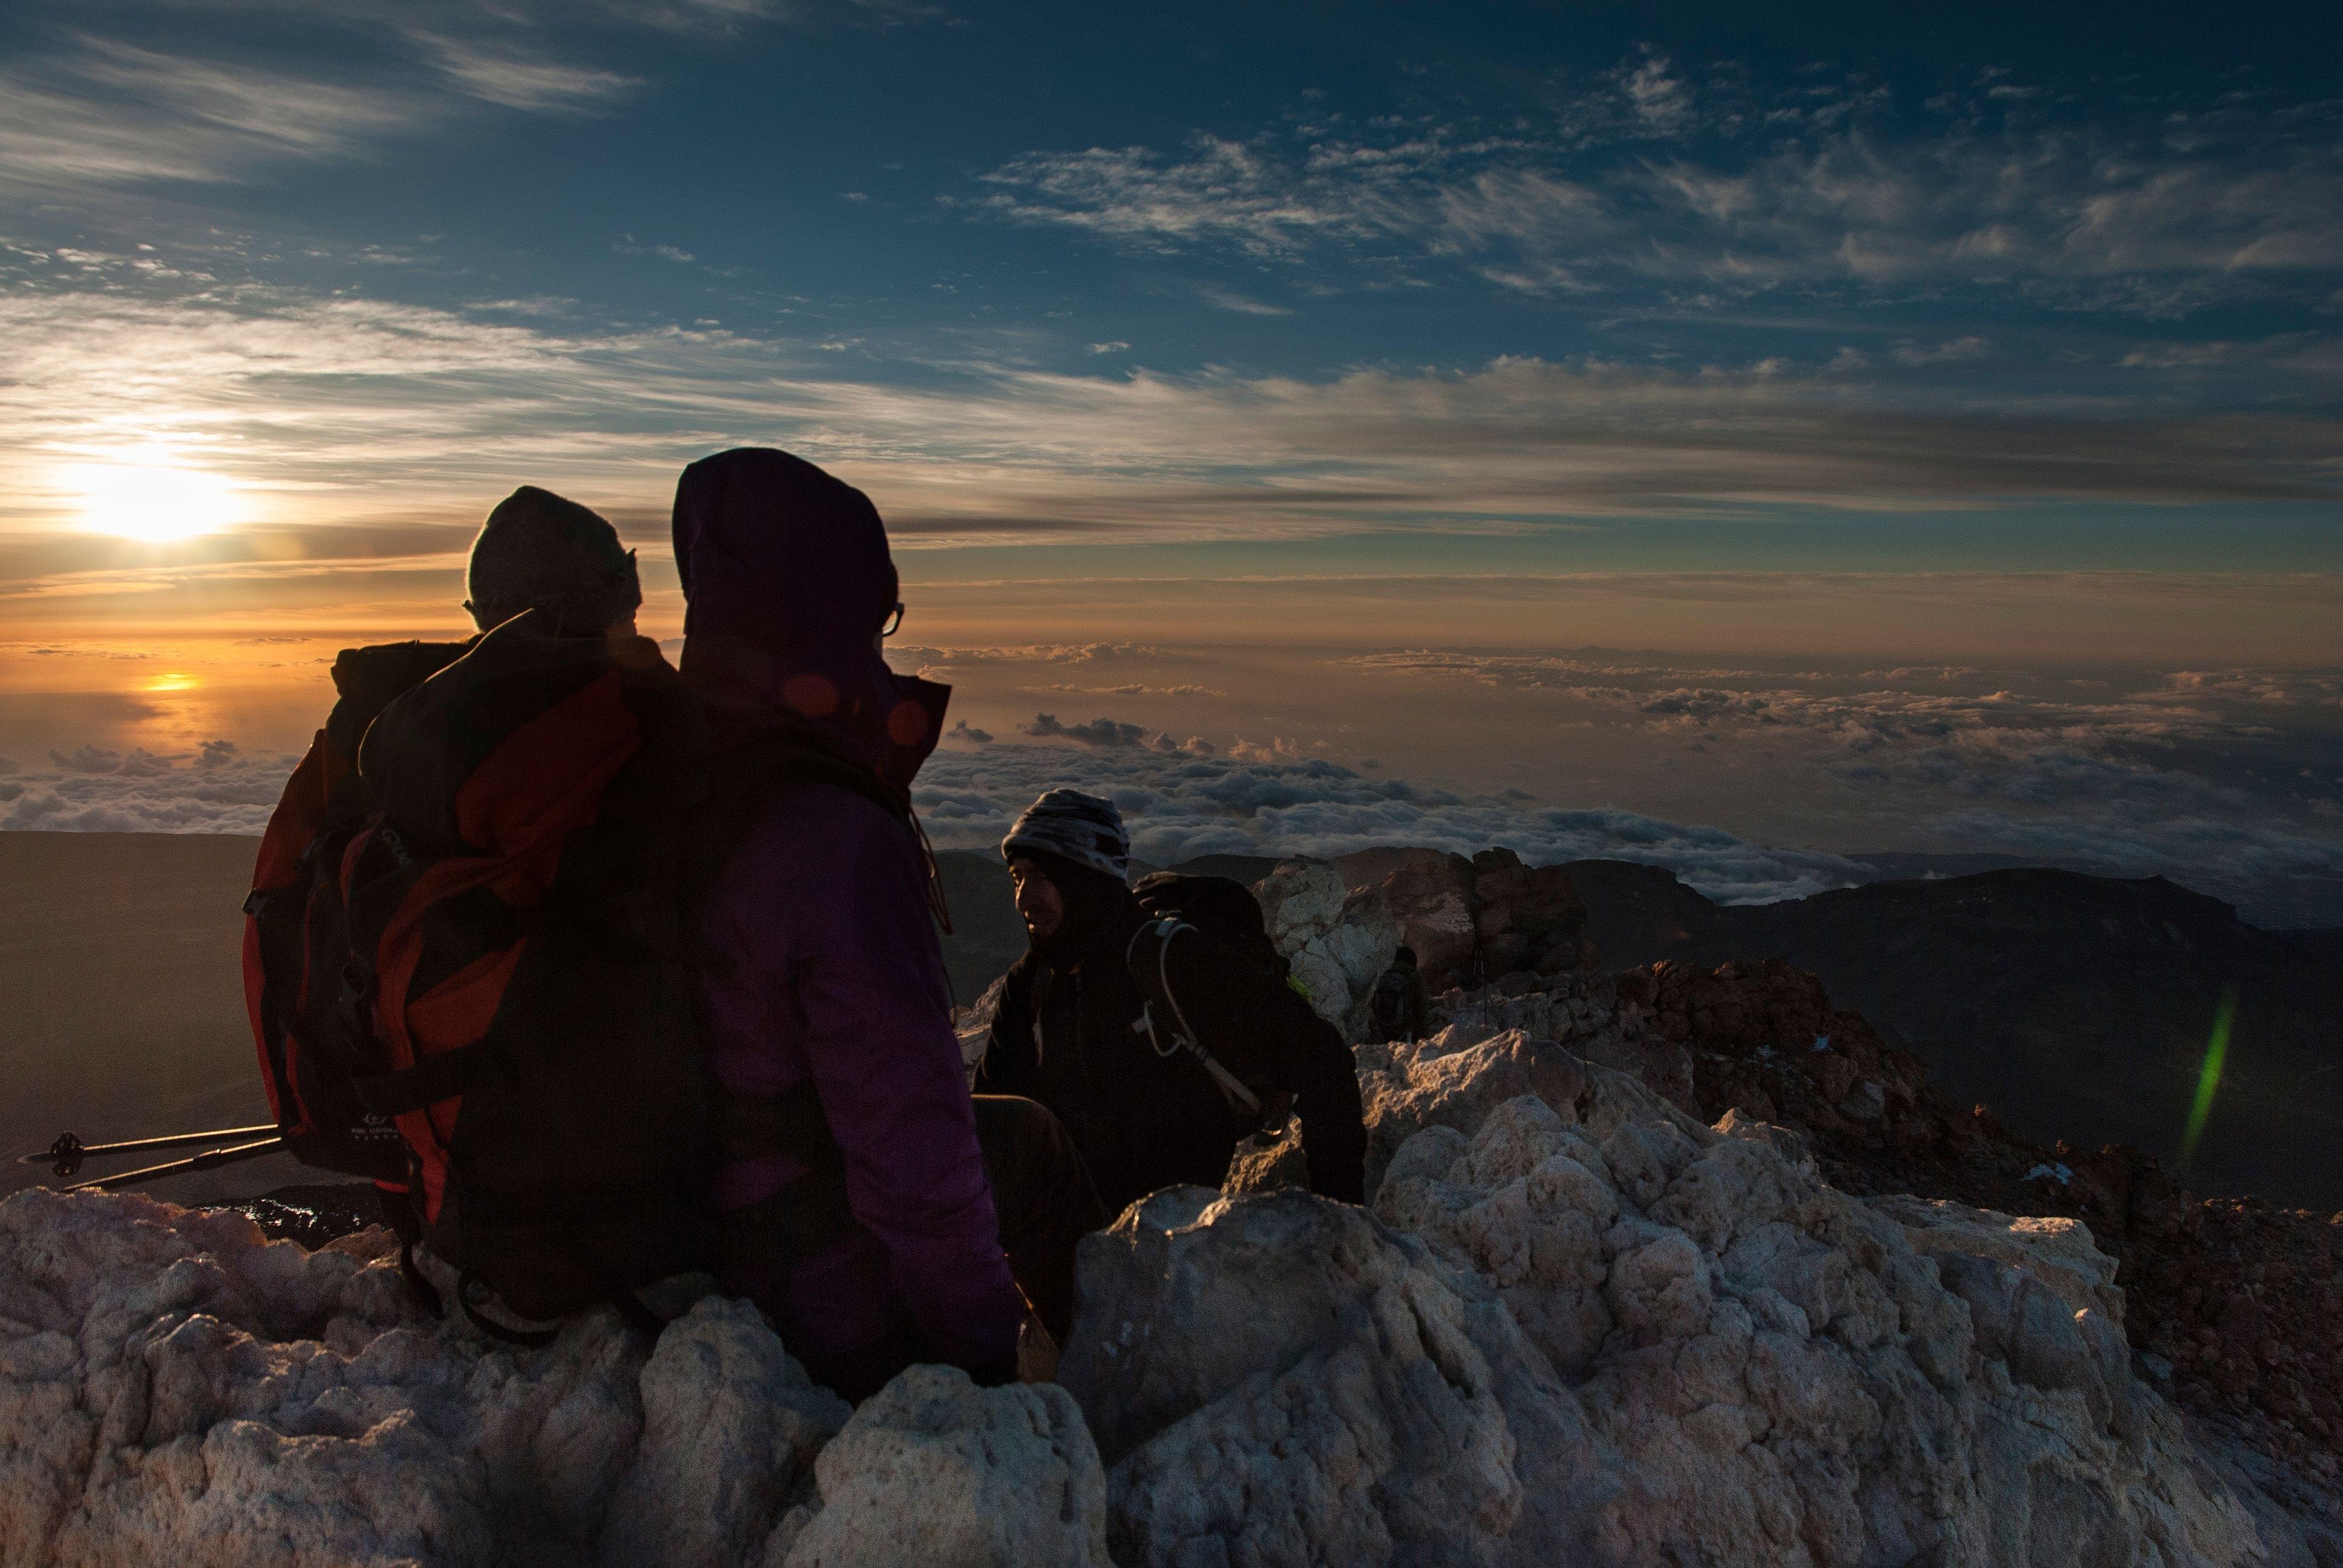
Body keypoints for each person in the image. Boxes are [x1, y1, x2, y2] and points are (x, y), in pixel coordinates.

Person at [675, 448, 1101, 1402]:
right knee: (1028, 1152)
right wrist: (985, 1358)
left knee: (1019, 1131)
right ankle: (1104, 1387)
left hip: (690, 1210)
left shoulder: (679, 772)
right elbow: (911, 1145)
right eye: (878, 614)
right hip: (805, 1271)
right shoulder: (832, 836)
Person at [975, 789, 1368, 1217]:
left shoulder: (1175, 966)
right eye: (1018, 877)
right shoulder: (1031, 984)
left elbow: (1324, 1062)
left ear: (1087, 877)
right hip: (1067, 1229)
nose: (1024, 899)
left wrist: (1339, 1218)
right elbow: (992, 1122)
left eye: (1043, 877)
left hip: (1165, 1244)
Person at [1367, 946, 1434, 1045]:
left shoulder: (1385, 974)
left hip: (1384, 1026)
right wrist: (1426, 1038)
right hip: (1406, 1031)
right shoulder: (1414, 977)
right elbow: (1423, 1008)